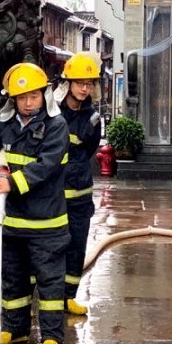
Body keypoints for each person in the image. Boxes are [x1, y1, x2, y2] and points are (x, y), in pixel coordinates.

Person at [0, 62, 71, 344]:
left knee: (50, 283)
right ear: (13, 99)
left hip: (46, 223)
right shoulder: (4, 122)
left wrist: (12, 182)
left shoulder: (56, 126)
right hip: (12, 221)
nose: (28, 103)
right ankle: (15, 329)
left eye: (33, 96)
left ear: (44, 95)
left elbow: (47, 166)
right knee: (13, 279)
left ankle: (52, 336)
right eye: (22, 98)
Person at [54, 53, 103, 316]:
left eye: (89, 84)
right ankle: (45, 295)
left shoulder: (93, 118)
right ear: (68, 83)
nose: (85, 88)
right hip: (53, 194)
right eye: (80, 83)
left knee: (77, 245)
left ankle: (69, 296)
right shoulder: (52, 112)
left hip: (80, 195)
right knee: (49, 246)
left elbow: (90, 149)